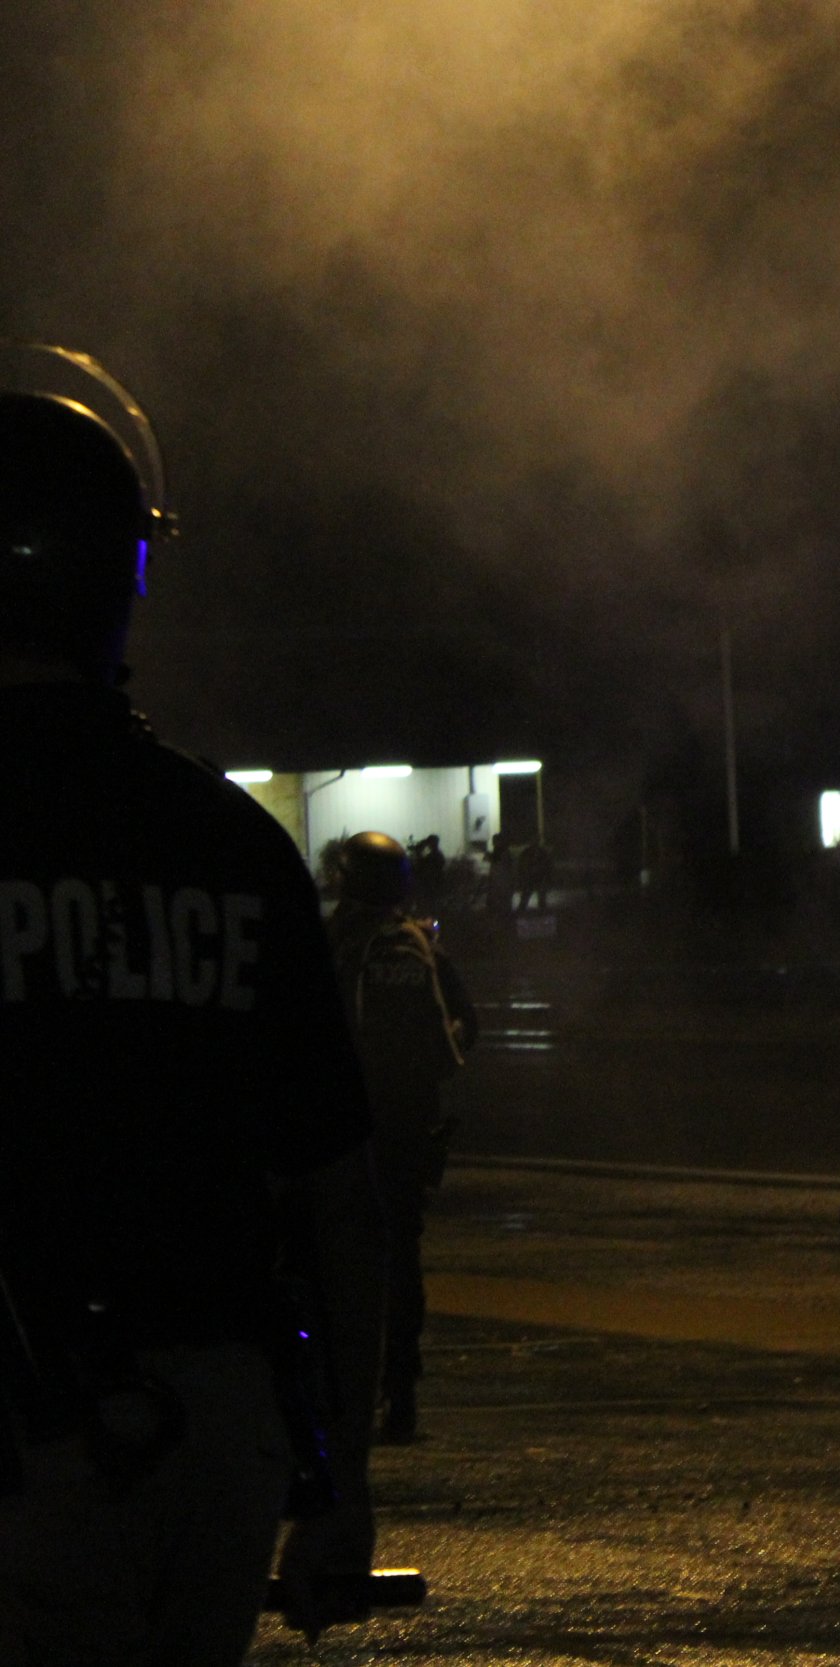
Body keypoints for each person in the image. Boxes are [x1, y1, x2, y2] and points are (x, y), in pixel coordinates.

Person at [0, 348, 387, 1658]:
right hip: (220, 1426)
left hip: (25, 1424)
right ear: (130, 574)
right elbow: (338, 1189)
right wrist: (343, 1484)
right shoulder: (236, 842)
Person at [329, 831, 476, 1443]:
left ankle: (339, 1392)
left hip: (340, 1128)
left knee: (331, 1260)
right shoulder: (421, 946)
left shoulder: (329, 945)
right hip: (407, 1130)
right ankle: (402, 1388)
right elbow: (465, 1033)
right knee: (402, 1258)